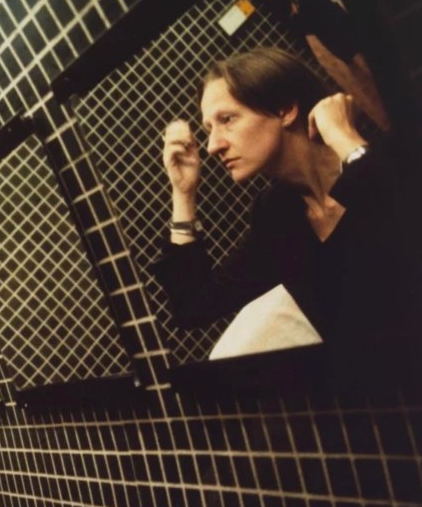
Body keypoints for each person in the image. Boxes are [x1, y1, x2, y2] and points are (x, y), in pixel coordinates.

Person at [151, 46, 421, 370]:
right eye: (209, 129)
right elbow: (194, 306)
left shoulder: (396, 161)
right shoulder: (278, 215)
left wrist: (343, 137)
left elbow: (402, 225)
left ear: (285, 109)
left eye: (227, 119)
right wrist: (183, 194)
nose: (212, 146)